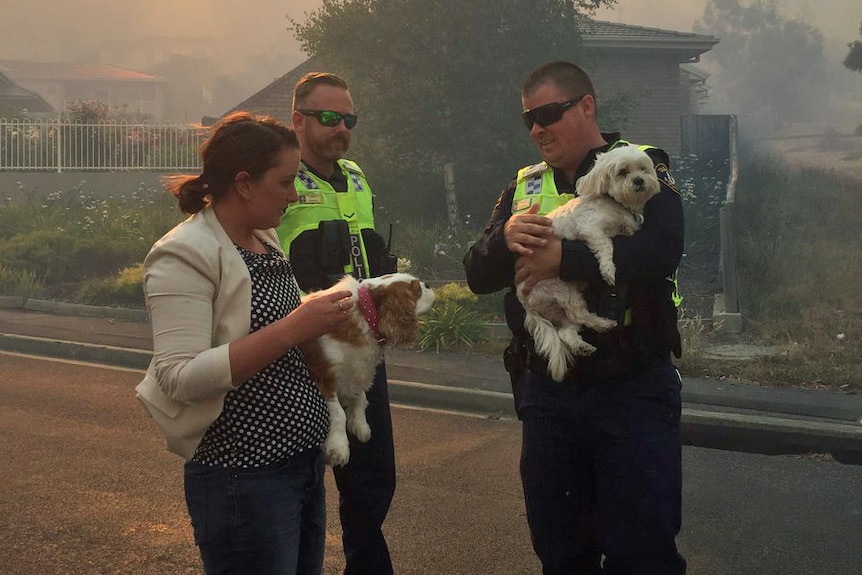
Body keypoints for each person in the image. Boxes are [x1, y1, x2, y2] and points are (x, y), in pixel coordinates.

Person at [463, 61, 686, 574]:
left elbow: (662, 251)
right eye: (529, 120)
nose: (538, 129)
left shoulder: (641, 164)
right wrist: (503, 240)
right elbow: (477, 274)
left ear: (586, 106)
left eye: (549, 113)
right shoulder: (523, 186)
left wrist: (563, 260)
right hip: (548, 393)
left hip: (631, 389)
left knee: (642, 553)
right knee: (562, 552)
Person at [135, 111, 356, 575]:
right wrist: (296, 325)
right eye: (286, 181)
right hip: (243, 478)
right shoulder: (183, 253)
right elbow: (178, 378)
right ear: (244, 183)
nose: (295, 194)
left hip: (300, 468)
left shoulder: (262, 238)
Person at [277, 72, 399, 575]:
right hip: (298, 353)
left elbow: (370, 260)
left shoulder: (356, 175)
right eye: (329, 117)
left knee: (373, 478)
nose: (341, 128)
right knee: (297, 481)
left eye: (349, 119)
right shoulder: (276, 175)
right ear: (298, 119)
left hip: (362, 351)